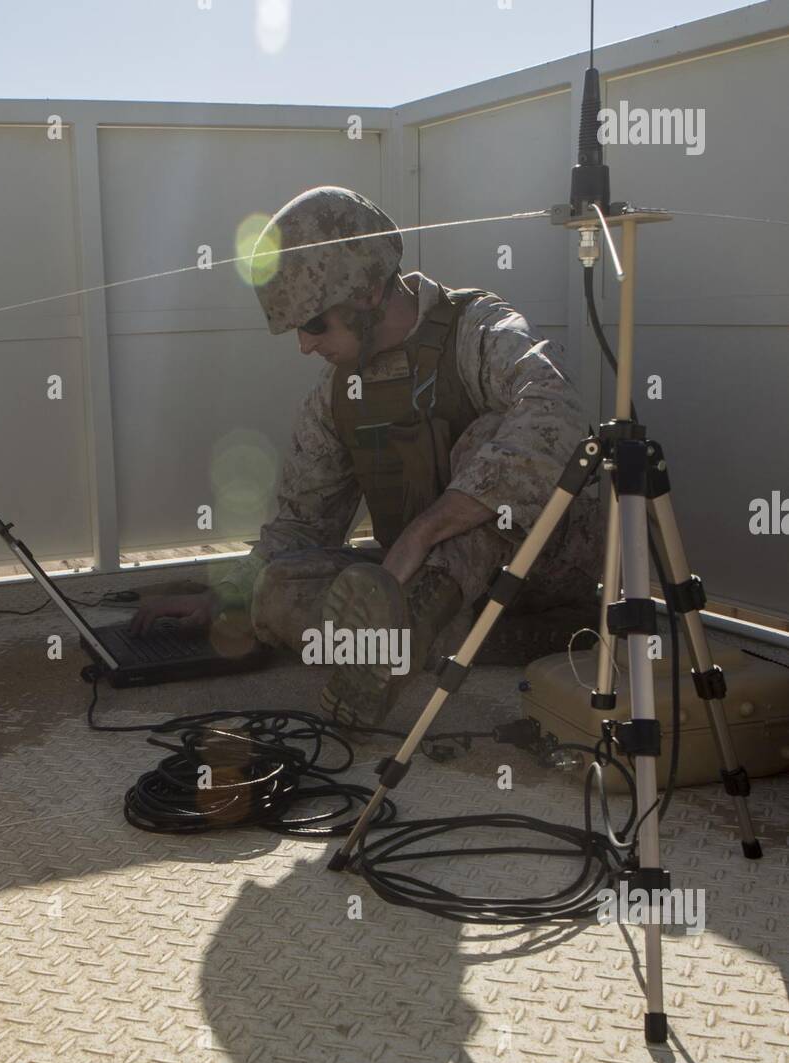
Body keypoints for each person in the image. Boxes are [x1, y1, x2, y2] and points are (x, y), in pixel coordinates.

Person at [132, 185, 603, 728]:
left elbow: (557, 414)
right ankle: (467, 638)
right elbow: (301, 525)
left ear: (370, 292)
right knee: (276, 591)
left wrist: (422, 532)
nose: (305, 346)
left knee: (491, 442)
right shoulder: (336, 396)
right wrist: (224, 599)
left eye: (313, 325)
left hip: (545, 567)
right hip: (420, 578)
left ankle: (416, 636)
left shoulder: (479, 330)